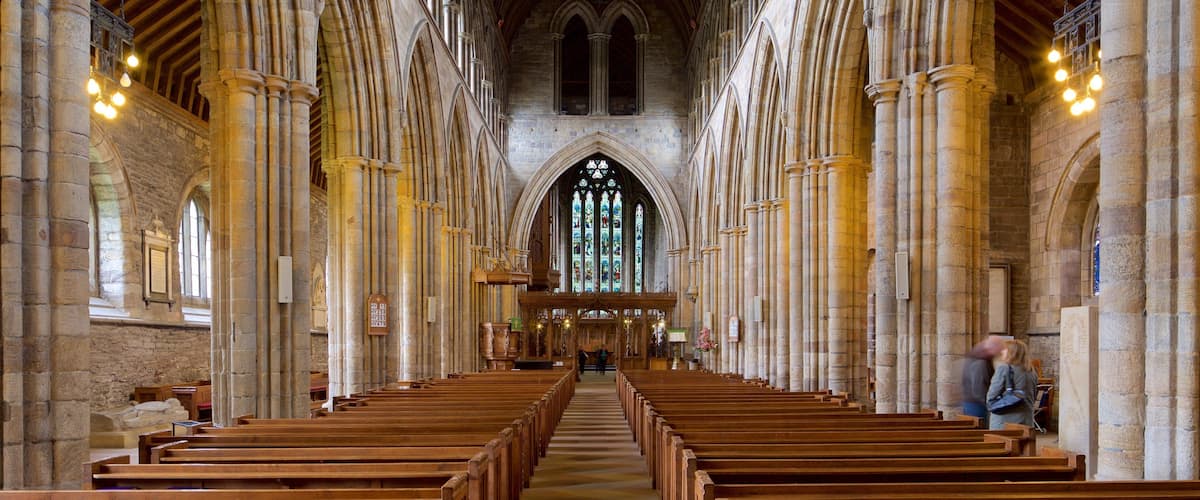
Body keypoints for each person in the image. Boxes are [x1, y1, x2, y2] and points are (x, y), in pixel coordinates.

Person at [986, 339, 1037, 430]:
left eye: (1005, 349)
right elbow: (1033, 395)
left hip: (1005, 420)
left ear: (1011, 352)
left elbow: (992, 395)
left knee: (1003, 444)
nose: (1002, 351)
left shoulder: (1004, 368)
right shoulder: (1031, 371)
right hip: (1026, 418)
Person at [962, 335, 1005, 419]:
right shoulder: (980, 362)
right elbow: (978, 388)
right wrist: (989, 403)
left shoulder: (981, 357)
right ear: (994, 347)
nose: (1001, 352)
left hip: (974, 402)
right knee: (979, 429)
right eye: (1000, 349)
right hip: (976, 404)